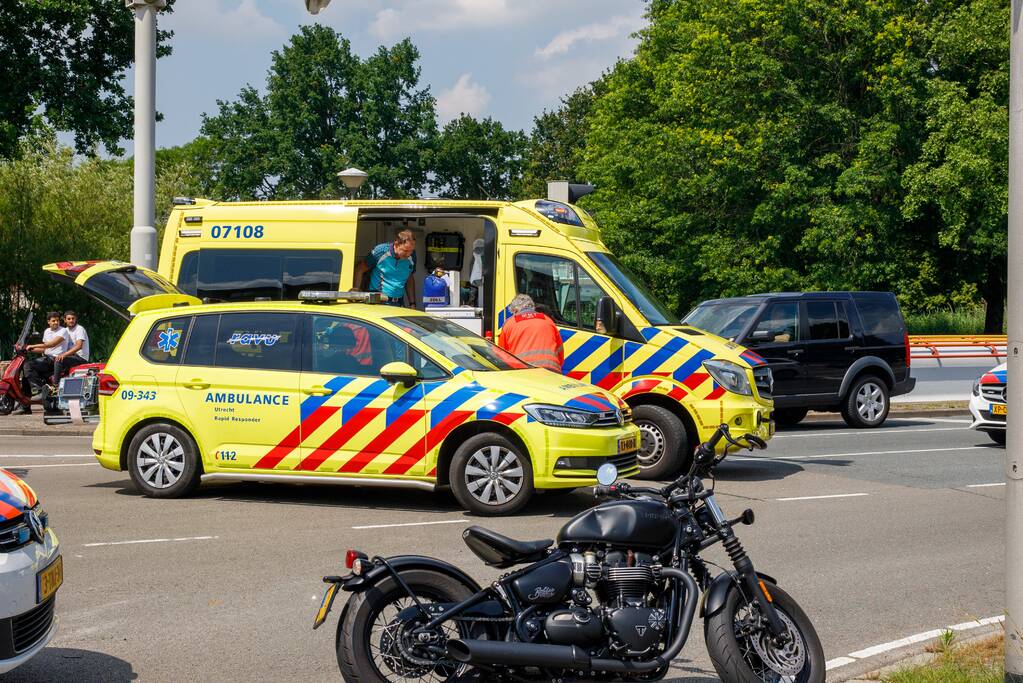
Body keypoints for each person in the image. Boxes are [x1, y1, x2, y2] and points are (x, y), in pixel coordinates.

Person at [16, 312, 68, 415]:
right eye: (53, 321)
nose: (56, 322)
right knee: (26, 376)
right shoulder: (47, 331)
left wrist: (32, 345)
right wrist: (27, 349)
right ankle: (25, 406)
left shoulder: (63, 331)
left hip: (55, 360)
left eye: (57, 320)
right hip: (46, 359)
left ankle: (40, 391)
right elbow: (44, 349)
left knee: (29, 365)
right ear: (48, 322)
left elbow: (51, 344)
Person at [498, 294, 564, 373]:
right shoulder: (547, 320)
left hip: (524, 371)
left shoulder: (510, 324)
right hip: (551, 369)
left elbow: (502, 354)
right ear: (532, 307)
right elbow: (560, 350)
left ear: (515, 310)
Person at [353, 229, 416, 307]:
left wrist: (412, 303)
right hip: (377, 299)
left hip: (398, 301)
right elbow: (360, 269)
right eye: (405, 251)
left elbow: (409, 277)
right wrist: (355, 291)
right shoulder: (380, 251)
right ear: (396, 244)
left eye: (411, 250)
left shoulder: (412, 256)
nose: (408, 254)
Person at [52, 310, 90, 384]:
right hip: (71, 356)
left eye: (73, 318)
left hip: (80, 358)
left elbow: (79, 346)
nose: (71, 320)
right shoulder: (65, 330)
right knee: (51, 360)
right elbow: (56, 343)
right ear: (65, 320)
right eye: (69, 319)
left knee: (59, 360)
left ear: (76, 319)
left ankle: (55, 386)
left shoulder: (79, 329)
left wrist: (64, 354)